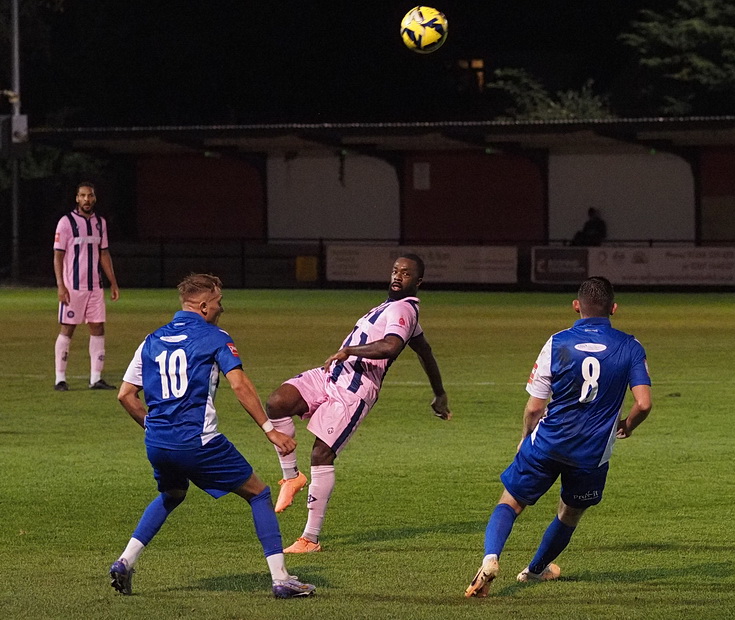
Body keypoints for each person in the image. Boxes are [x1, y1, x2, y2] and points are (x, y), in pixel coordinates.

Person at [110, 273, 315, 599]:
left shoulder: (151, 339)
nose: (222, 308)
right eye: (219, 302)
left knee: (172, 494)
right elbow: (240, 385)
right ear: (204, 305)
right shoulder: (214, 337)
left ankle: (125, 561)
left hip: (158, 443)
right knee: (259, 494)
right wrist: (270, 431)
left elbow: (125, 395)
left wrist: (154, 429)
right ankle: (281, 578)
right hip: (198, 441)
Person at [465, 276, 652, 598]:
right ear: (614, 309)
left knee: (510, 501)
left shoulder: (557, 342)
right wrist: (628, 425)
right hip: (591, 454)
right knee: (569, 513)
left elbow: (535, 407)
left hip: (547, 442)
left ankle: (491, 558)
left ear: (576, 306)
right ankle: (535, 570)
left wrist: (526, 436)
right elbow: (644, 403)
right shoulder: (630, 346)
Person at [266, 253, 452, 553]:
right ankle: (291, 477)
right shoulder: (393, 307)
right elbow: (425, 351)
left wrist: (349, 350)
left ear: (418, 282)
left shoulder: (403, 310)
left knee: (321, 454)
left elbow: (392, 346)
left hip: (354, 389)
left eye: (405, 274)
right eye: (395, 270)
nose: (397, 276)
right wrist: (439, 393)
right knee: (278, 402)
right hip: (331, 375)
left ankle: (309, 539)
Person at [53, 181, 120, 391]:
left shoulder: (100, 223)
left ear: (94, 198)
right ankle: (60, 378)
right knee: (68, 329)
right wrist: (60, 285)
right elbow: (58, 256)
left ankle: (95, 378)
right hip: (73, 287)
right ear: (76, 198)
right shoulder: (65, 223)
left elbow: (104, 253)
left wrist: (113, 282)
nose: (86, 200)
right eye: (82, 196)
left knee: (98, 327)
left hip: (95, 287)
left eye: (90, 196)